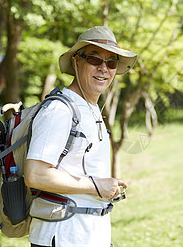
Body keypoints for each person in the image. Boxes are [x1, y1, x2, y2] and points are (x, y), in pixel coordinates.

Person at [24, 26, 137, 247]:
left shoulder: (90, 108)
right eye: (95, 60)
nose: (104, 69)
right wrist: (96, 186)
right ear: (76, 61)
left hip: (89, 236)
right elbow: (35, 175)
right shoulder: (59, 110)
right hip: (64, 236)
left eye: (111, 62)